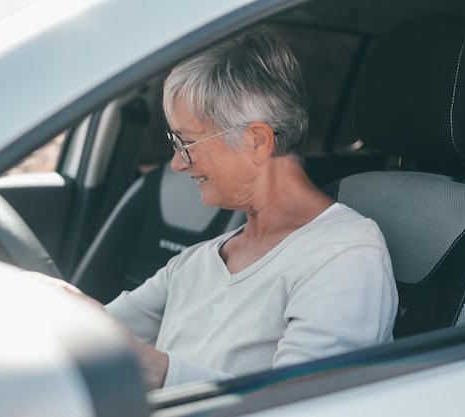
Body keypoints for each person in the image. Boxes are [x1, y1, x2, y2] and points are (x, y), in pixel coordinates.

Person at [104, 26, 398, 389]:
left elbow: (302, 404)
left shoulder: (345, 255)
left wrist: (161, 372)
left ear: (257, 141)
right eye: (174, 140)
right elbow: (96, 332)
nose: (178, 163)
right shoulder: (199, 260)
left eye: (187, 142)